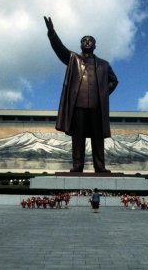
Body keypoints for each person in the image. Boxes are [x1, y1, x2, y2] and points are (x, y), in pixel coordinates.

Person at [44, 16, 118, 173]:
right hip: (78, 105)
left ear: (95, 45)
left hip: (97, 106)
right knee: (78, 137)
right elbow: (60, 49)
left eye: (90, 41)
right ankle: (78, 165)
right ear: (80, 44)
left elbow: (114, 81)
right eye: (84, 40)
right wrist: (52, 33)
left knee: (98, 137)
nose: (87, 42)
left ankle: (100, 166)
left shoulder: (104, 64)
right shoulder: (73, 59)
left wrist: (103, 94)